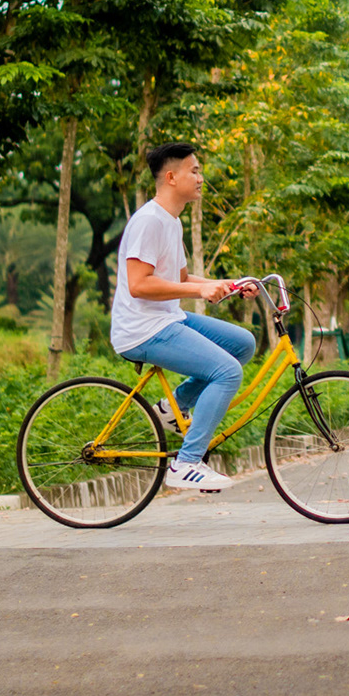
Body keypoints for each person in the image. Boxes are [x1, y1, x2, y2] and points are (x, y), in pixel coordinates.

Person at [109, 141, 256, 493]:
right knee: (227, 372)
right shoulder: (149, 221)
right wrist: (199, 293)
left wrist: (229, 285)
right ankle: (186, 463)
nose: (201, 177)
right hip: (142, 329)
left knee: (243, 344)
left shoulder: (171, 221)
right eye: (195, 171)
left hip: (167, 318)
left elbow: (182, 278)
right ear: (172, 178)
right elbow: (139, 285)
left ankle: (173, 407)